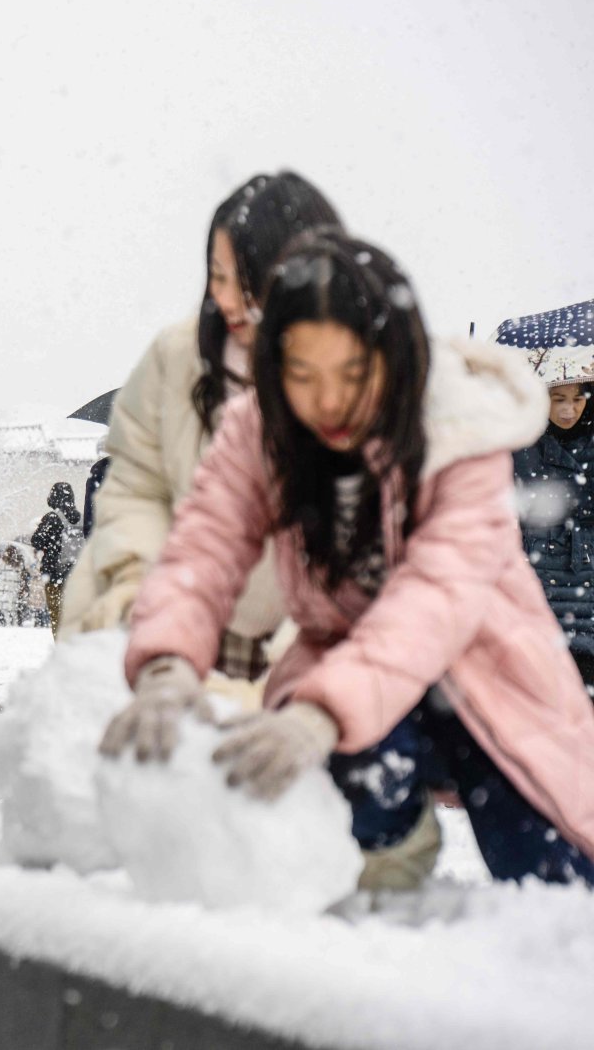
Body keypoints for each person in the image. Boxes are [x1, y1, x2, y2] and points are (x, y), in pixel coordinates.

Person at [105, 229, 594, 888]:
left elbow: (435, 598)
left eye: (352, 373)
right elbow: (206, 546)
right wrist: (166, 661)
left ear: (394, 357)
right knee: (350, 791)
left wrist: (322, 712)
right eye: (303, 374)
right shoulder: (262, 427)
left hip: (489, 669)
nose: (327, 400)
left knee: (551, 874)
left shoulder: (460, 428)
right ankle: (391, 848)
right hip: (353, 674)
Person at [63, 172, 342, 686]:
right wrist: (136, 600)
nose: (231, 300)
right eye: (219, 275)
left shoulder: (359, 374)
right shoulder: (178, 359)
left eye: (252, 278)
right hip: (185, 629)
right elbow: (133, 494)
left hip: (319, 648)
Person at [511, 375, 594, 688]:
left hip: (587, 583)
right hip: (538, 581)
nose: (569, 410)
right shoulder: (519, 444)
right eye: (558, 399)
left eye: (578, 398)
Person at [31, 482, 84, 639]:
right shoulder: (82, 519)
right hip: (79, 577)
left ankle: (64, 652)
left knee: (58, 617)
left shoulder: (53, 518)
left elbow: (36, 541)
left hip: (56, 576)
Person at [0, 545, 31, 626]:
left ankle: (2, 621)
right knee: (11, 607)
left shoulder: (2, 562)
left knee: (1, 607)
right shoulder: (19, 564)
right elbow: (22, 576)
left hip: (3, 589)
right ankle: (11, 622)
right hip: (13, 589)